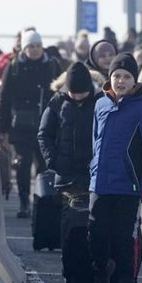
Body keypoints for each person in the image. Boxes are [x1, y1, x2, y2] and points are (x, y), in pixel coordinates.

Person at [88, 52, 142, 283]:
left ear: (135, 80)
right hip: (100, 182)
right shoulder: (100, 104)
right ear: (110, 78)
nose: (121, 81)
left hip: (129, 185)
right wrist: (93, 170)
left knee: (124, 237)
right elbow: (95, 141)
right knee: (96, 233)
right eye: (117, 76)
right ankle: (100, 270)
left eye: (126, 76)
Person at [0, 30, 61, 218]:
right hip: (21, 127)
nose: (35, 50)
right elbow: (4, 98)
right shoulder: (14, 66)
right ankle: (24, 201)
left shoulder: (51, 65)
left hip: (46, 125)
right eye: (31, 46)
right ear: (24, 48)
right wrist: (2, 128)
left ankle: (41, 201)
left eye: (38, 46)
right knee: (23, 164)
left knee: (44, 166)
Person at [38, 62, 98, 195]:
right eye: (73, 93)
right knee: (68, 213)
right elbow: (44, 134)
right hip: (65, 175)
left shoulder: (100, 102)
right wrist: (53, 160)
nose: (77, 97)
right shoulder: (57, 101)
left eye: (81, 93)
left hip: (93, 175)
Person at [50, 39, 115, 94]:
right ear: (94, 58)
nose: (108, 58)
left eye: (111, 55)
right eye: (102, 56)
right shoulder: (84, 76)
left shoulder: (121, 76)